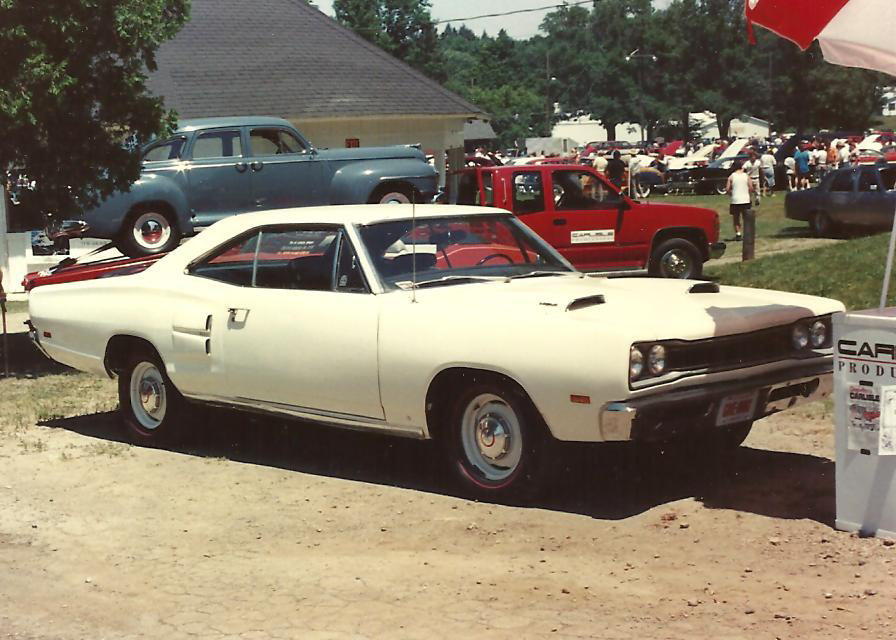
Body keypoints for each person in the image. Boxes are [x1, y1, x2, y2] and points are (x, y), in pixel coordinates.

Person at [726, 161, 753, 241]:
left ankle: (738, 234)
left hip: (735, 200)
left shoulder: (731, 176)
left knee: (736, 218)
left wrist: (731, 194)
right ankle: (748, 233)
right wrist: (749, 195)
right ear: (741, 167)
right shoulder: (746, 176)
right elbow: (751, 187)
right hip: (746, 200)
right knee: (746, 218)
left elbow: (727, 189)